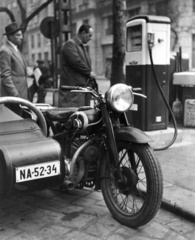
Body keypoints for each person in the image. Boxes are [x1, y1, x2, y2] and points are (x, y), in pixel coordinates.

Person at [59, 24, 96, 107]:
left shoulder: (80, 46)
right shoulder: (70, 44)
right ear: (83, 33)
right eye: (89, 35)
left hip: (79, 90)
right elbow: (76, 62)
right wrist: (89, 73)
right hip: (72, 92)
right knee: (73, 116)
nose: (90, 38)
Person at [0, 22, 28, 115]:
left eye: (21, 34)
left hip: (21, 95)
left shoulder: (15, 49)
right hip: (13, 97)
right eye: (18, 35)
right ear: (10, 37)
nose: (21, 37)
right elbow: (5, 76)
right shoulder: (5, 51)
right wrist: (15, 96)